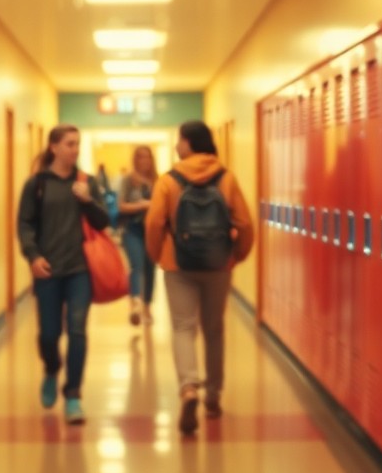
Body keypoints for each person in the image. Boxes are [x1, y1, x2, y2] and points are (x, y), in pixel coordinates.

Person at [145, 120, 255, 435]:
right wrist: (237, 255)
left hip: (178, 264)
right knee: (214, 329)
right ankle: (214, 395)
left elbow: (154, 223)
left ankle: (189, 387)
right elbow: (245, 224)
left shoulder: (169, 180)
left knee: (182, 326)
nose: (177, 145)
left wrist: (158, 256)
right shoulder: (227, 177)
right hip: (219, 264)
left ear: (189, 143)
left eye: (180, 139)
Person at [16, 124, 110, 424]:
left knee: (78, 331)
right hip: (47, 270)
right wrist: (33, 255)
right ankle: (51, 369)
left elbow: (103, 221)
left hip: (80, 270)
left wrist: (88, 200)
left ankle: (72, 395)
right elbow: (25, 224)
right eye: (70, 144)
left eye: (78, 144)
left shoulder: (87, 182)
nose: (75, 149)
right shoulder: (37, 184)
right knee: (49, 334)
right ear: (54, 147)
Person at [117, 145, 158, 327]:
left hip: (151, 231)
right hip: (132, 229)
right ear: (135, 160)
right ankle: (135, 303)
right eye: (140, 157)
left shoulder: (158, 180)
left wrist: (149, 203)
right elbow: (121, 206)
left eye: (147, 157)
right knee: (137, 265)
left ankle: (147, 306)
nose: (144, 161)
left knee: (150, 269)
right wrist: (142, 205)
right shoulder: (128, 180)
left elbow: (162, 205)